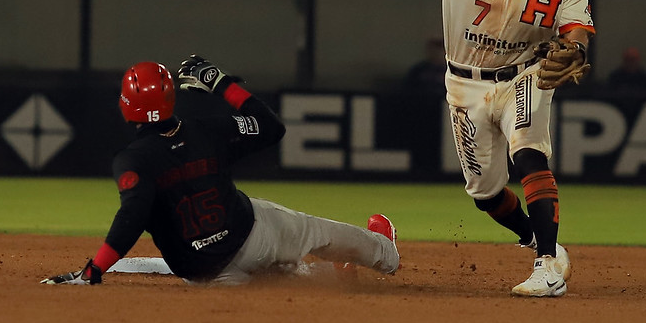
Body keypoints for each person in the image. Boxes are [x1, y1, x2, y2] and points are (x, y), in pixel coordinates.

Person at [301, 0, 594, 297]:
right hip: (464, 82)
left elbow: (577, 29)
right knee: (485, 195)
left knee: (529, 151)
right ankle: (537, 237)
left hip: (523, 74)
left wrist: (573, 47)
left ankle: (547, 266)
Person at [41, 56, 399, 285]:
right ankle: (386, 254)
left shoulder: (132, 159)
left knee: (283, 283)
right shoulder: (205, 131)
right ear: (171, 98)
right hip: (255, 235)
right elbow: (270, 126)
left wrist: (94, 270)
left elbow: (132, 215)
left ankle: (333, 275)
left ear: (127, 106)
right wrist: (218, 82)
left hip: (208, 273)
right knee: (319, 234)